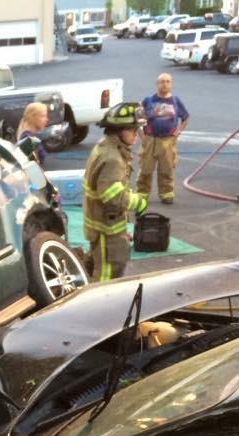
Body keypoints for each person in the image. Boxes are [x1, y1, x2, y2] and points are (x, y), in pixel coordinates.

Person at [82, 102, 148, 281]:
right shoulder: (113, 158)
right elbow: (112, 196)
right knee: (108, 274)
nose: (136, 135)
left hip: (102, 225)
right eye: (132, 130)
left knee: (97, 265)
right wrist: (138, 202)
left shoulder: (105, 146)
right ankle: (100, 306)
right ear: (118, 130)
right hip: (106, 229)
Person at [137, 73, 189, 205]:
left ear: (171, 84)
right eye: (162, 82)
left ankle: (166, 194)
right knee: (145, 169)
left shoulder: (176, 101)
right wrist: (142, 136)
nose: (164, 84)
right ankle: (142, 194)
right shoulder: (148, 101)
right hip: (150, 140)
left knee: (166, 169)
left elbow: (185, 118)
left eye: (167, 82)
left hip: (167, 141)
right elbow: (138, 119)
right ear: (157, 84)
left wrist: (177, 133)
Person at [16, 101, 49, 165]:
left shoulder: (30, 136)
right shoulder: (27, 139)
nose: (46, 119)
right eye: (43, 116)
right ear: (33, 117)